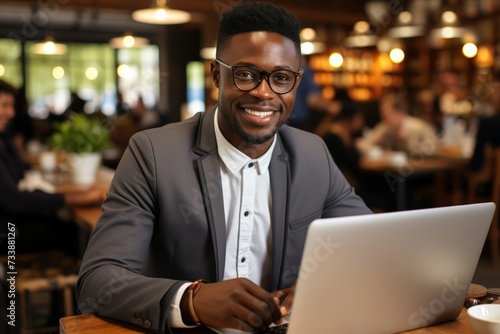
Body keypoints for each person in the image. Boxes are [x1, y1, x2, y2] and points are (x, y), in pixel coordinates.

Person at [76, 3, 371, 333]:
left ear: (295, 84)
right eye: (245, 74)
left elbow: (369, 244)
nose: (263, 93)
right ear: (217, 74)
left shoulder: (312, 153)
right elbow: (98, 282)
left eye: (281, 78)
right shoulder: (153, 154)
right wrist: (191, 300)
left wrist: (320, 283)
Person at [0, 79, 106, 255]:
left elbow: (15, 183)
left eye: (11, 105)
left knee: (70, 228)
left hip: (11, 221)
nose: (11, 113)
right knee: (76, 237)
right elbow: (14, 200)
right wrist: (72, 198)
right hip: (7, 232)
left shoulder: (4, 138)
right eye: (4, 105)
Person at [364, 94, 438, 155]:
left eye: (387, 113)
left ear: (400, 113)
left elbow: (433, 150)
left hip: (420, 170)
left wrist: (407, 142)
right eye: (382, 113)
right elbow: (369, 142)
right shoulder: (385, 127)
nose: (383, 117)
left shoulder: (419, 127)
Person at [287, 57, 339, 132]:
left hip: (281, 120)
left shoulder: (282, 66)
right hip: (297, 122)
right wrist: (330, 107)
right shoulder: (303, 69)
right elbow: (312, 100)